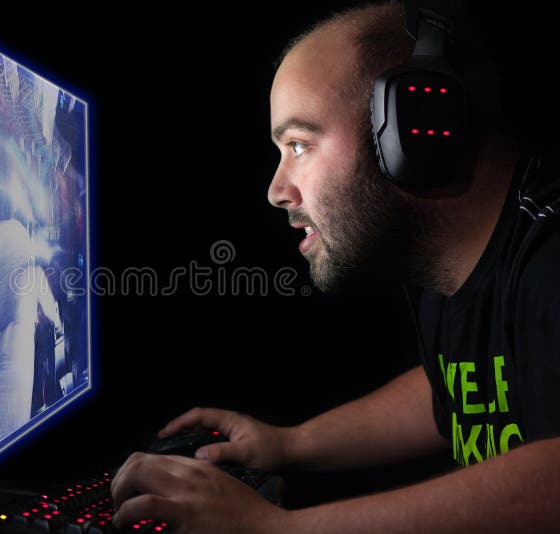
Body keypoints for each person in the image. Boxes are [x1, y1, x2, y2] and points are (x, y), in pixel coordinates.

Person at [110, 2, 559, 532]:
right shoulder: (446, 265)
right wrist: (289, 444)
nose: (277, 191)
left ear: (413, 128)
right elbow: (462, 389)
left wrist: (276, 528)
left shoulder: (550, 252)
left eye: (299, 144)